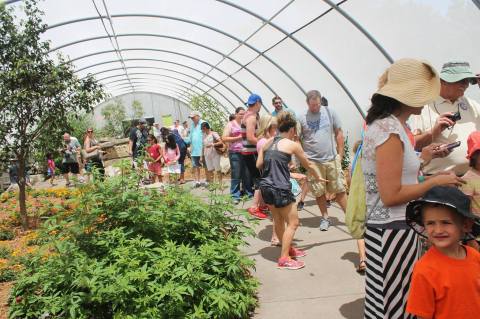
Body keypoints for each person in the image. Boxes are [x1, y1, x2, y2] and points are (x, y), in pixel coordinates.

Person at [361, 58, 464, 319]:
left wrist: (422, 161)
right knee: (394, 309)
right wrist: (434, 182)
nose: (426, 100)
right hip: (391, 233)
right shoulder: (388, 129)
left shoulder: (394, 125)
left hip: (393, 231)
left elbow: (395, 177)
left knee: (394, 303)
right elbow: (391, 195)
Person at [257, 111, 323, 270]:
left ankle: (288, 249)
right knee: (293, 223)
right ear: (292, 129)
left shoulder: (267, 142)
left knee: (278, 220)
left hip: (266, 187)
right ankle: (284, 258)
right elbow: (309, 165)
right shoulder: (293, 145)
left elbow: (259, 164)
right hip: (280, 188)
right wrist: (318, 177)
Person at [405, 186, 480, 319]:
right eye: (431, 223)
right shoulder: (424, 270)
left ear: (466, 225)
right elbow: (423, 315)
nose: (438, 230)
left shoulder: (474, 256)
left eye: (446, 222)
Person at [412, 61, 480, 176]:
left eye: (467, 80)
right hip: (436, 183)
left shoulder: (472, 104)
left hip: (471, 180)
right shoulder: (422, 106)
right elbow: (414, 145)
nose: (466, 85)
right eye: (461, 80)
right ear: (442, 81)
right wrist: (435, 131)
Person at [298, 90, 347, 231]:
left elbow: (339, 133)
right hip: (313, 162)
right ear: (308, 103)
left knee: (340, 189)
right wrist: (303, 159)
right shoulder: (301, 117)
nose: (316, 108)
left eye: (318, 105)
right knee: (319, 192)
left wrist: (340, 155)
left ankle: (349, 218)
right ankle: (325, 217)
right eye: (313, 105)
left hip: (331, 159)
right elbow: (297, 139)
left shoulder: (330, 112)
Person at [242, 94, 267, 219]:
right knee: (259, 180)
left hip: (249, 152)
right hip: (251, 153)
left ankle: (262, 204)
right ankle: (254, 207)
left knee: (260, 178)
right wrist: (264, 143)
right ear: (258, 102)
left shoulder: (247, 115)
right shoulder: (251, 117)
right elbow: (250, 138)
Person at [222, 107, 253, 203]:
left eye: (244, 114)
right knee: (236, 173)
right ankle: (235, 195)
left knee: (247, 174)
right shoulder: (230, 124)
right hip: (235, 152)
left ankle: (248, 192)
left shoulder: (246, 124)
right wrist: (238, 137)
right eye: (240, 114)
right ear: (235, 114)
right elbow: (224, 138)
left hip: (246, 151)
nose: (243, 116)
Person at [460, 131, 480, 250]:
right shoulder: (468, 179)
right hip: (476, 231)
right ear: (473, 157)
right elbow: (463, 210)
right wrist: (470, 238)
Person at [185, 111, 204, 187]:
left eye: (193, 117)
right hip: (194, 150)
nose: (192, 119)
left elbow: (207, 134)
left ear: (198, 116)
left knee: (206, 166)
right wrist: (183, 140)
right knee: (195, 166)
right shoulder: (192, 125)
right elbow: (190, 137)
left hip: (202, 149)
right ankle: (197, 181)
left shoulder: (203, 123)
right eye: (191, 118)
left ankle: (209, 181)